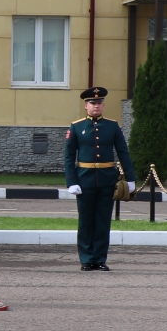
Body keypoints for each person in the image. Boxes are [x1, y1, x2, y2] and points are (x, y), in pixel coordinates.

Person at [65, 86, 134, 272]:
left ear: (103, 105)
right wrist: (71, 182)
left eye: (99, 103)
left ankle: (100, 258)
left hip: (106, 179)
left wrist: (131, 177)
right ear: (86, 106)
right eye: (92, 103)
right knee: (86, 221)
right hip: (84, 180)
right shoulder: (77, 126)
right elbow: (69, 156)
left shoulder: (112, 126)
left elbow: (123, 152)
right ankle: (86, 259)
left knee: (103, 221)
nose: (96, 106)